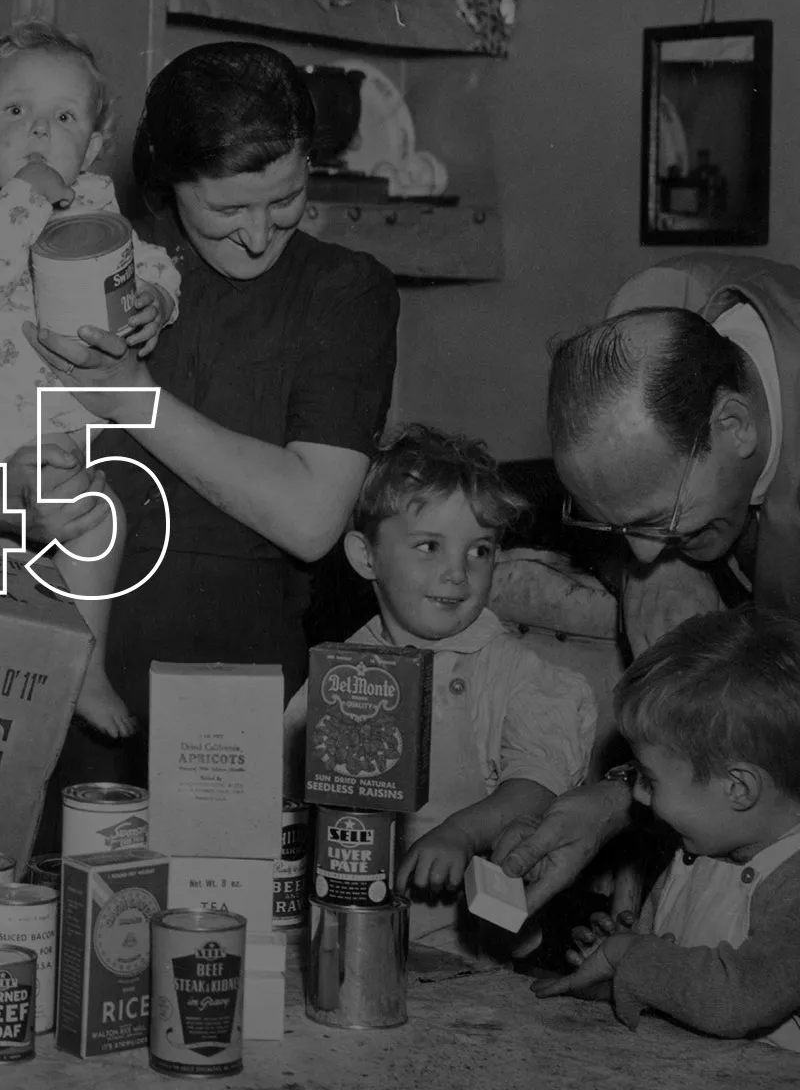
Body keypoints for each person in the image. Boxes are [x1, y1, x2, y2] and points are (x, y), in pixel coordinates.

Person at [0, 40, 398, 803]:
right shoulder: (85, 252)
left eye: (285, 198)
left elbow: (311, 518)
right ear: (167, 181)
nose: (257, 233)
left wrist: (134, 399)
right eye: (228, 207)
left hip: (231, 681)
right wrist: (9, 497)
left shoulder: (343, 293)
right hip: (50, 651)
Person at [503, 253, 800, 911]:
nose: (639, 554)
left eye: (654, 521)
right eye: (617, 529)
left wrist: (629, 805)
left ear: (735, 426)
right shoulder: (657, 311)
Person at [0, 19, 181, 737]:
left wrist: (154, 300)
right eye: (15, 112)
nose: (39, 131)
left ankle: (85, 663)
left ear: (93, 147)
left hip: (60, 438)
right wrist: (32, 196)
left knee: (100, 520)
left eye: (64, 118)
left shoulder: (95, 208)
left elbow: (148, 261)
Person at [283, 424, 596, 957]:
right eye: (429, 546)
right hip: (353, 928)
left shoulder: (511, 670)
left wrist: (460, 832)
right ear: (366, 557)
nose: (457, 573)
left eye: (479, 551)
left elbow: (537, 785)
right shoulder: (342, 672)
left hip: (470, 944)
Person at [533, 608, 800, 1048]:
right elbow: (671, 973)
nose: (636, 795)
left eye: (650, 780)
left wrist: (630, 956)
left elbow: (734, 998)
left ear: (738, 788)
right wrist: (614, 968)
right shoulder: (695, 854)